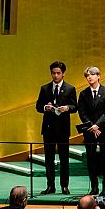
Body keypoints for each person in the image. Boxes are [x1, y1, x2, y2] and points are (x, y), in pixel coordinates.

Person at [35, 61, 77, 195]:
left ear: (63, 74)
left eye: (58, 73)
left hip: (63, 129)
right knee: (49, 159)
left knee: (64, 158)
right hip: (48, 128)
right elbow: (38, 106)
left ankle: (65, 185)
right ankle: (50, 185)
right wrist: (44, 108)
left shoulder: (70, 89)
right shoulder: (45, 88)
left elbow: (75, 107)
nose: (55, 75)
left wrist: (67, 108)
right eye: (53, 73)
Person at [77, 66, 105, 195]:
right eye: (87, 75)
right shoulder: (83, 94)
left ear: (98, 76)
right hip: (89, 131)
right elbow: (82, 112)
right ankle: (94, 186)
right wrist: (92, 126)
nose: (89, 77)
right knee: (91, 159)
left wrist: (97, 125)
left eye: (92, 74)